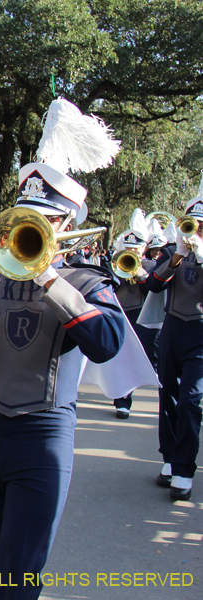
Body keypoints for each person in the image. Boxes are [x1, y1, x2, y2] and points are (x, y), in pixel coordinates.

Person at [0, 99, 127, 599]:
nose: (28, 230)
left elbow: (106, 344)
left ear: (65, 224)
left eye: (43, 221)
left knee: (23, 566)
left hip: (45, 432)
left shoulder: (86, 280)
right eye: (23, 217)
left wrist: (54, 280)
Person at [147, 180, 203, 501]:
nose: (196, 231)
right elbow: (153, 285)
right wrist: (177, 257)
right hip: (172, 328)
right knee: (167, 392)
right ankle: (169, 457)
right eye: (193, 224)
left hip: (200, 332)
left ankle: (184, 468)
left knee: (191, 400)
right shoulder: (173, 250)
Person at [109, 209, 157, 419]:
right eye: (128, 249)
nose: (131, 252)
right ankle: (121, 397)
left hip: (139, 316)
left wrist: (140, 274)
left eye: (135, 250)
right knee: (119, 356)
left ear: (143, 249)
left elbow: (153, 290)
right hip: (120, 313)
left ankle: (125, 396)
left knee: (133, 357)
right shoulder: (115, 263)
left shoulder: (151, 266)